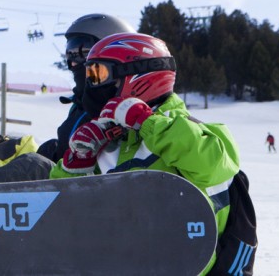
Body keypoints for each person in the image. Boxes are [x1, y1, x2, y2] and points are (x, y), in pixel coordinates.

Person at [51, 32, 242, 275]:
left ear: (138, 74)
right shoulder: (110, 143)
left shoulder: (197, 130)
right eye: (90, 75)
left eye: (98, 73)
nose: (93, 85)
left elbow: (212, 165)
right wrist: (76, 165)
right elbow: (63, 214)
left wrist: (147, 122)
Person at [39, 13, 134, 162]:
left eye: (81, 53)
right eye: (70, 54)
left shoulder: (126, 112)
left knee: (33, 164)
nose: (73, 64)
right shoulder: (80, 105)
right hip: (65, 179)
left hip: (92, 183)